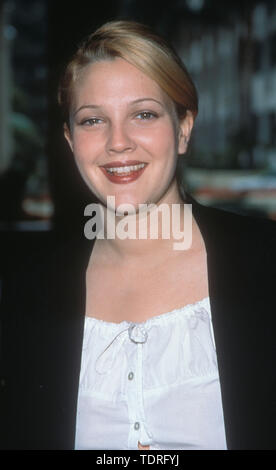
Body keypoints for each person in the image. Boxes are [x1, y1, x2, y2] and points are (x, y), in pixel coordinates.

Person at [0, 20, 276, 451]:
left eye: (143, 114)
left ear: (184, 128)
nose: (118, 142)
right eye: (93, 121)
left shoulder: (266, 262)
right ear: (71, 140)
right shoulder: (24, 289)